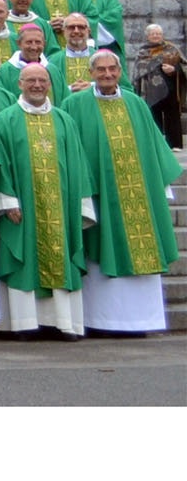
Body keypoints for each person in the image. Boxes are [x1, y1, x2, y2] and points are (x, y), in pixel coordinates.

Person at [62, 51, 182, 335]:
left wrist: (160, 187)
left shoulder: (136, 104)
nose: (106, 75)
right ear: (91, 73)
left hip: (139, 196)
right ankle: (100, 320)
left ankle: (141, 321)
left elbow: (154, 147)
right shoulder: (74, 104)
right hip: (99, 194)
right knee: (100, 252)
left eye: (111, 69)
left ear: (119, 72)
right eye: (100, 70)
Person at [0, 63, 93, 340]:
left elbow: (79, 163)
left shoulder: (63, 120)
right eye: (31, 80)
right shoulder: (6, 119)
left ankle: (63, 322)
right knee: (23, 257)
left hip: (61, 204)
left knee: (61, 256)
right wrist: (7, 200)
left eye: (42, 80)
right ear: (19, 84)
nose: (37, 85)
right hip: (22, 207)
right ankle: (25, 323)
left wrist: (81, 203)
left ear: (50, 85)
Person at [132, 23, 182, 148]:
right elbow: (138, 71)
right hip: (150, 92)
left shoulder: (172, 48)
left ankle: (175, 145)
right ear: (148, 36)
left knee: (173, 118)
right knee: (154, 118)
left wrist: (174, 69)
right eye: (153, 34)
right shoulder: (143, 51)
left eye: (158, 33)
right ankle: (157, 146)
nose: (156, 36)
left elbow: (183, 66)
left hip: (170, 90)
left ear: (162, 35)